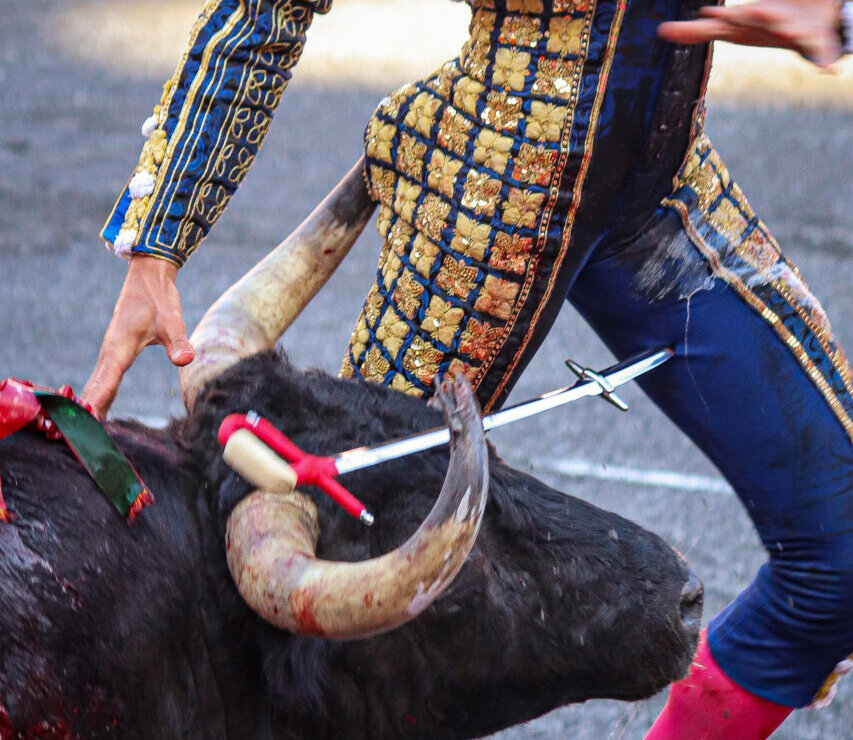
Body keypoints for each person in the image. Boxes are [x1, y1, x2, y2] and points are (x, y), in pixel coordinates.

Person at [82, 1, 853, 737]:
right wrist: (159, 236)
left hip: (660, 190)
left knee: (842, 557)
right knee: (349, 620)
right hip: (485, 205)